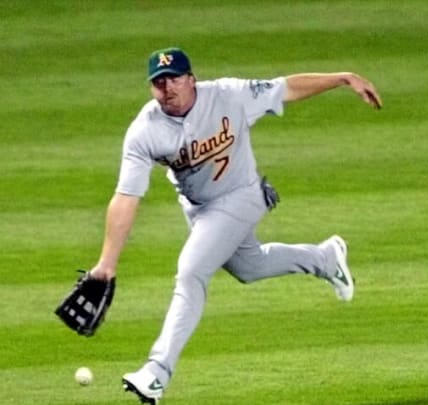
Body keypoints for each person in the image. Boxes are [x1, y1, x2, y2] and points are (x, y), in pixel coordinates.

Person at [87, 47, 382, 404]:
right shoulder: (145, 130)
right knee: (249, 266)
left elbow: (284, 88)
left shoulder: (229, 95)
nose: (168, 88)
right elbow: (126, 198)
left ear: (192, 79)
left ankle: (156, 372)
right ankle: (325, 258)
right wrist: (107, 263)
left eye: (175, 78)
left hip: (243, 195)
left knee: (191, 271)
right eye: (159, 82)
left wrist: (342, 77)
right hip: (200, 210)